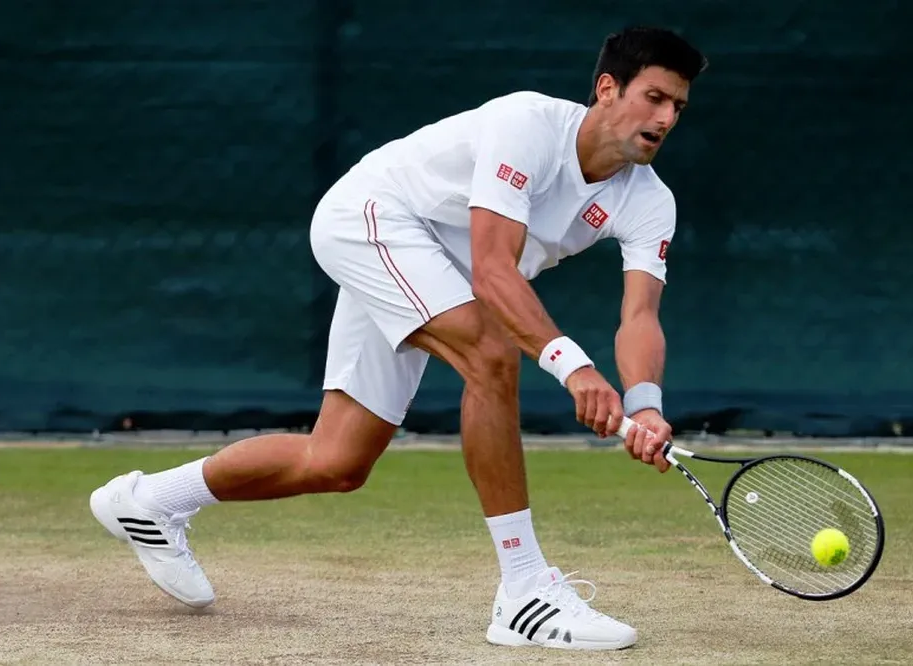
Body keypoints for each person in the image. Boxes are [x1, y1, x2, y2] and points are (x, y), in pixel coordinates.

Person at [89, 25, 707, 651]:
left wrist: (645, 403)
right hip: (375, 217)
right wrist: (574, 367)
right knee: (490, 357)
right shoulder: (527, 125)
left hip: (433, 271)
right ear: (608, 88)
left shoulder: (650, 201)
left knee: (336, 461)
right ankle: (524, 590)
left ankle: (148, 501)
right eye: (654, 97)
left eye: (678, 106)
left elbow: (640, 317)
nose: (665, 117)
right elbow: (495, 269)